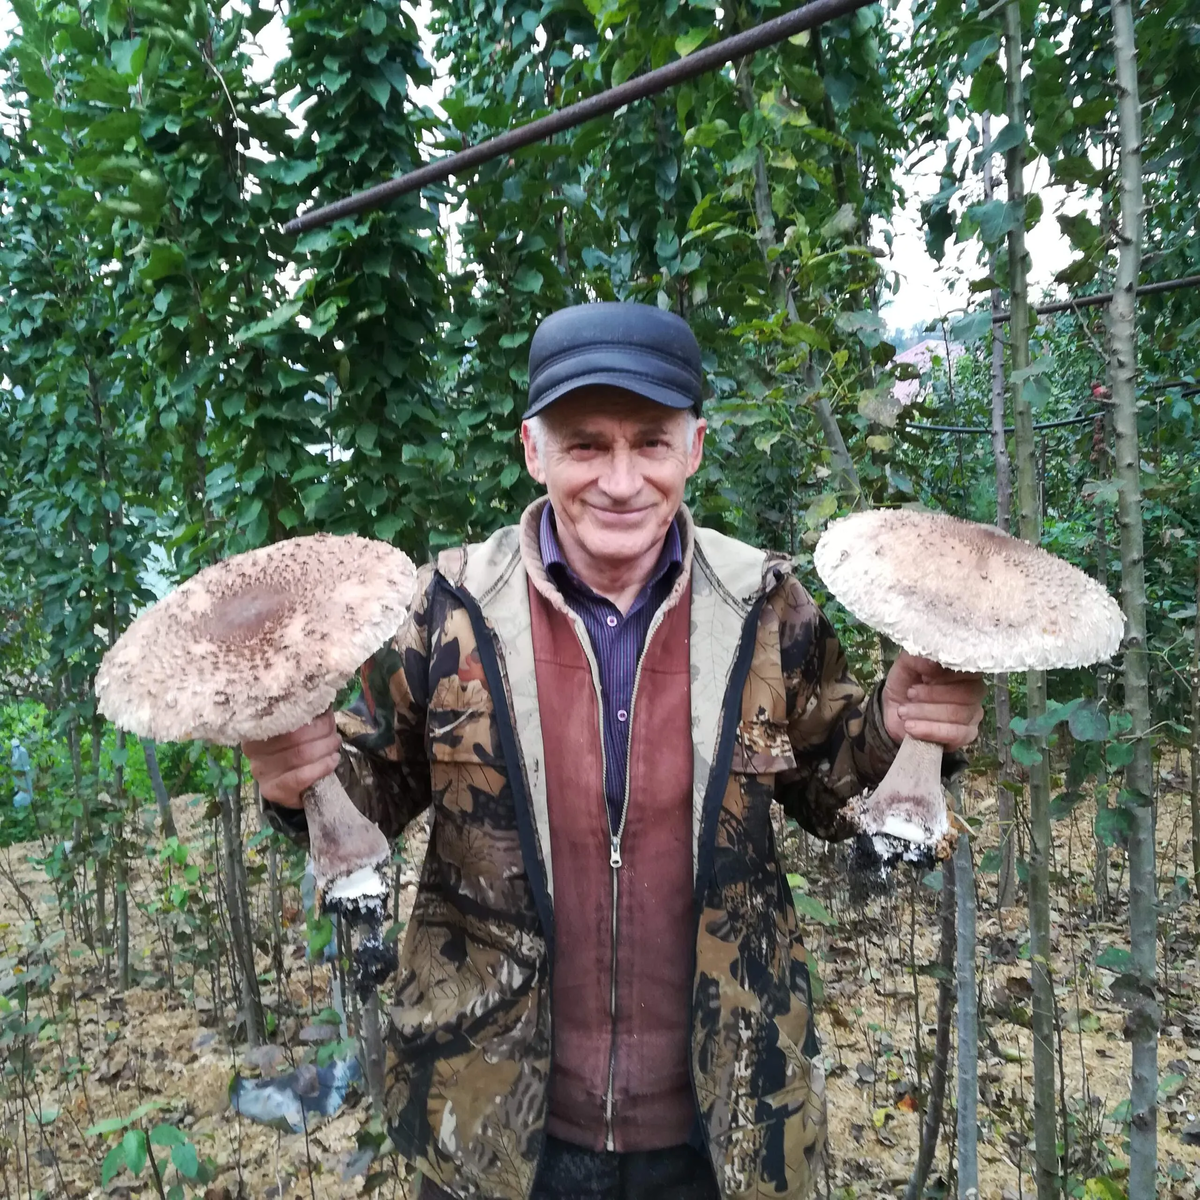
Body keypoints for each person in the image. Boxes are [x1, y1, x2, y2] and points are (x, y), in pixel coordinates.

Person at [246, 303, 984, 1200]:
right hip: (490, 1118)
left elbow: (836, 788)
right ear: (534, 451)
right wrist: (299, 781)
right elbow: (373, 792)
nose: (622, 481)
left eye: (651, 443)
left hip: (723, 1119)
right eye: (586, 444)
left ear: (695, 447)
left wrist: (900, 729)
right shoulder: (446, 610)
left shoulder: (765, 608)